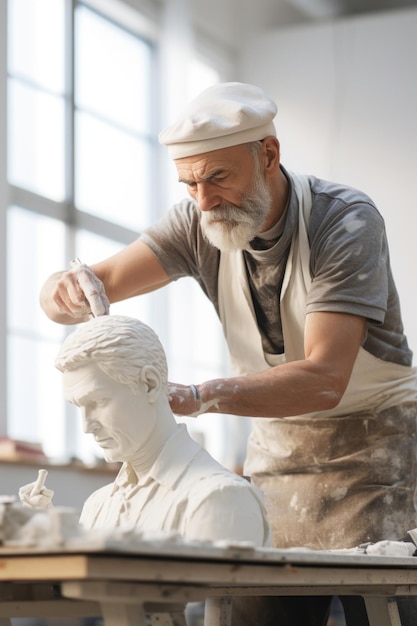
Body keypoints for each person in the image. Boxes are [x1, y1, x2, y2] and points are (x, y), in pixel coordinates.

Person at [39, 82, 417, 625]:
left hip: (375, 453)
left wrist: (198, 396)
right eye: (189, 182)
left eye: (218, 177)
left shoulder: (345, 221)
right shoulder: (195, 224)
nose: (204, 200)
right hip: (277, 454)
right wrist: (61, 291)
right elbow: (95, 283)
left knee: (380, 606)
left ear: (268, 154)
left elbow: (325, 379)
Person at [20, 314, 270, 547]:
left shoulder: (218, 499)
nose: (86, 426)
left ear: (149, 385)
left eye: (97, 401)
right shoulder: (98, 505)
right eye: (79, 407)